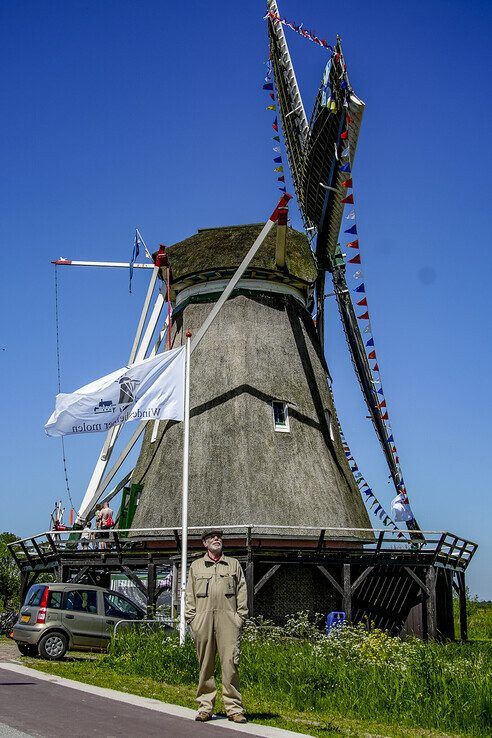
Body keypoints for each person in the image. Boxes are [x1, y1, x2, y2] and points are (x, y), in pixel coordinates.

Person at [185, 530, 248, 724]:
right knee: (205, 664)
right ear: (205, 543)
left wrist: (240, 618)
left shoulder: (233, 564)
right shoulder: (196, 566)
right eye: (212, 537)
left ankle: (234, 708)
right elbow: (190, 594)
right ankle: (205, 707)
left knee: (230, 663)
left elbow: (242, 591)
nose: (216, 539)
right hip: (203, 619)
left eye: (219, 537)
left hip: (228, 619)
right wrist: (192, 620)